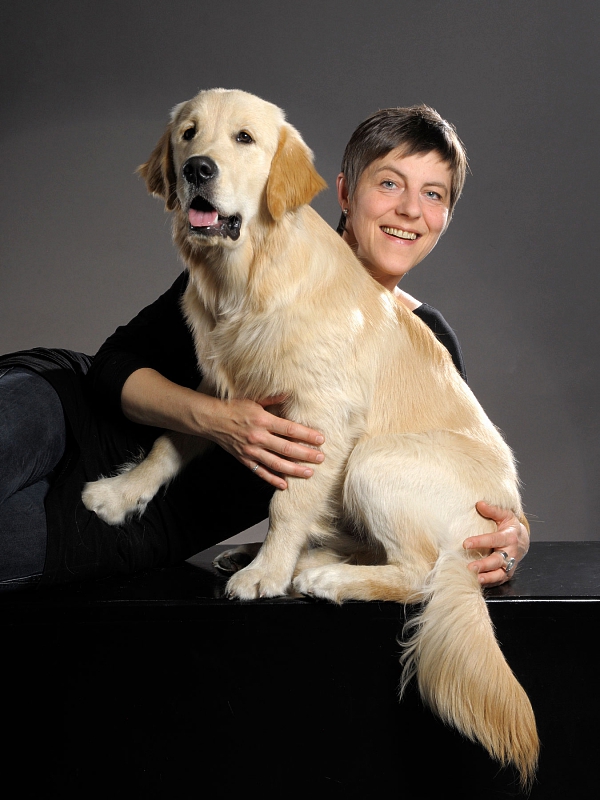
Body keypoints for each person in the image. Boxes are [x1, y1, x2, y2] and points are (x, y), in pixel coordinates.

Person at [0, 103, 529, 591]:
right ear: (345, 194)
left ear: (445, 217)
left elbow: (441, 471)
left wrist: (510, 536)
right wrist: (218, 418)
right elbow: (109, 368)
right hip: (66, 416)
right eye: (389, 184)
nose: (411, 209)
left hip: (147, 524)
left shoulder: (425, 340)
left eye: (433, 194)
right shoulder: (254, 248)